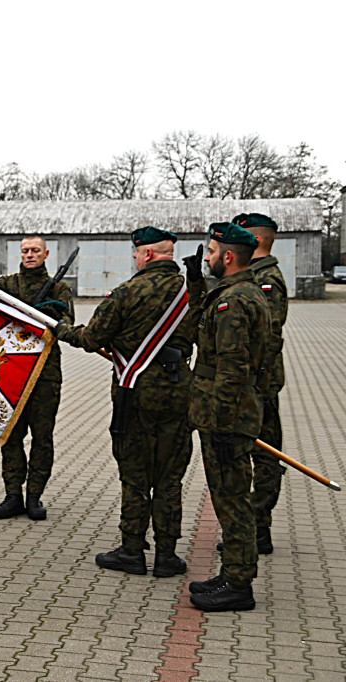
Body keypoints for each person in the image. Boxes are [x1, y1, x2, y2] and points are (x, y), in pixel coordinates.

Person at [54, 227, 204, 577]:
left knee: (135, 476)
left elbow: (92, 339)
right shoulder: (193, 290)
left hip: (134, 393)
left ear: (147, 254)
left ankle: (131, 550)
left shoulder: (127, 293)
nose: (136, 259)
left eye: (137, 254)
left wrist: (62, 328)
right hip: (180, 391)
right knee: (169, 478)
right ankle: (167, 555)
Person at [187, 222, 270, 612]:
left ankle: (239, 585)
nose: (208, 258)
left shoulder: (235, 300)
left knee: (233, 501)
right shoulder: (233, 293)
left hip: (228, 417)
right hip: (228, 414)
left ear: (229, 256)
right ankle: (232, 573)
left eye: (212, 253)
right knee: (228, 499)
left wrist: (221, 421)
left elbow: (232, 368)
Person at [215, 212, 288, 556]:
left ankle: (259, 525)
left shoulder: (266, 279)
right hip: (254, 382)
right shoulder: (253, 276)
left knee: (265, 452)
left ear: (252, 241)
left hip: (260, 384)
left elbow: (264, 338)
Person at [0, 235, 73, 521]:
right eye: (25, 250)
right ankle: (13, 494)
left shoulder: (60, 288)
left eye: (35, 250)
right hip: (11, 371)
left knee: (42, 437)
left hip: (45, 374)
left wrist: (49, 317)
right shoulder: (8, 285)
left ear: (46, 253)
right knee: (11, 435)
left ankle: (34, 495)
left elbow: (67, 326)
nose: (29, 255)